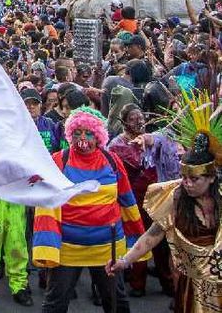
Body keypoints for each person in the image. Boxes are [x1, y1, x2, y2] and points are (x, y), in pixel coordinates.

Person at [107, 93, 221, 312]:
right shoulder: (176, 198)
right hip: (191, 287)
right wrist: (124, 261)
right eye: (184, 177)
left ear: (211, 178)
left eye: (194, 179)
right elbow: (151, 236)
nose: (186, 183)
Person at [33, 106, 147, 313]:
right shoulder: (59, 160)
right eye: (78, 132)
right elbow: (46, 202)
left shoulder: (112, 161)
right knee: (55, 303)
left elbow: (127, 201)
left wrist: (135, 241)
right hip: (68, 249)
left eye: (89, 133)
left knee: (115, 302)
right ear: (70, 134)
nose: (83, 138)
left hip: (107, 248)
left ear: (98, 136)